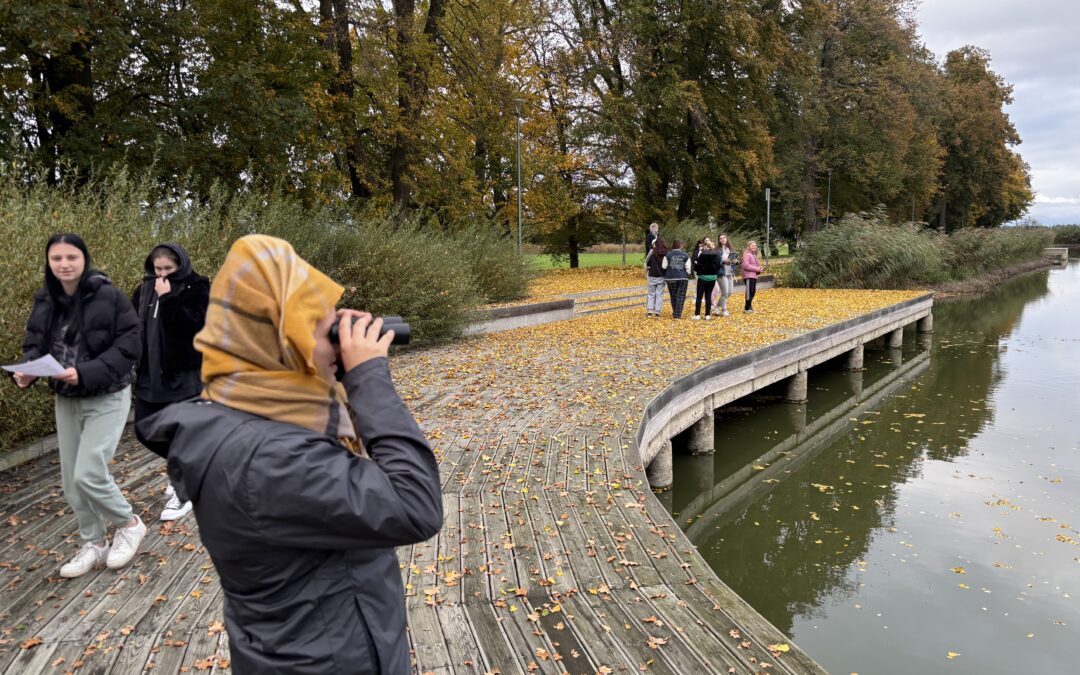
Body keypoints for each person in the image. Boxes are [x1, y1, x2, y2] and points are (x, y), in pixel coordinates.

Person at [138, 235, 443, 674]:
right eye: (318, 324)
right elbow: (414, 505)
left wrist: (336, 369)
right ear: (282, 340)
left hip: (318, 645)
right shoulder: (266, 456)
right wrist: (369, 377)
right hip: (327, 661)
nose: (336, 333)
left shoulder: (252, 411)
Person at [13, 233, 146, 578]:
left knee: (89, 472)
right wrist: (27, 371)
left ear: (84, 258)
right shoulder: (45, 298)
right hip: (66, 397)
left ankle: (129, 524)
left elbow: (130, 345)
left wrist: (84, 372)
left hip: (107, 395)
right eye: (56, 258)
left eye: (71, 257)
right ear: (49, 262)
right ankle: (95, 542)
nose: (64, 264)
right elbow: (35, 343)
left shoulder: (110, 296)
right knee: (72, 482)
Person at [131, 243, 209, 521]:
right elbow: (131, 327)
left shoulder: (197, 287)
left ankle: (185, 491)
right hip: (149, 374)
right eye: (157, 269)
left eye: (168, 269)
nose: (162, 275)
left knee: (180, 433)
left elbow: (196, 326)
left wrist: (168, 299)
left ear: (181, 265)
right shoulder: (143, 289)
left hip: (182, 375)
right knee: (144, 429)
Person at [692, 237, 721, 320]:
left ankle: (697, 315)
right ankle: (707, 315)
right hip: (712, 278)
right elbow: (718, 266)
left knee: (699, 296)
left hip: (702, 277)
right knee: (708, 296)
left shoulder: (702, 255)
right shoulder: (716, 255)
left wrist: (699, 270)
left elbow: (696, 266)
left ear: (705, 247)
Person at [662, 239, 692, 319]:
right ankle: (677, 314)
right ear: (681, 246)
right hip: (682, 277)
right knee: (681, 295)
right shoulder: (685, 255)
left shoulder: (668, 255)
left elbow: (664, 266)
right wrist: (686, 274)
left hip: (670, 277)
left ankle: (675, 311)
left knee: (673, 295)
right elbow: (688, 268)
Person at [711, 234, 738, 317]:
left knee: (729, 292)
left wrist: (736, 262)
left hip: (729, 272)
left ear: (727, 238)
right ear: (719, 240)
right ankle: (724, 310)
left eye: (724, 237)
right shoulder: (716, 250)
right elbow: (714, 262)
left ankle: (716, 307)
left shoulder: (731, 249)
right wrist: (723, 262)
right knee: (725, 292)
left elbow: (735, 260)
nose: (722, 239)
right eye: (720, 238)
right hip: (721, 272)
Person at [644, 237, 668, 317]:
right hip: (662, 276)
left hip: (652, 275)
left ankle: (650, 311)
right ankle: (657, 311)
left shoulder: (653, 253)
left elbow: (648, 263)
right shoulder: (666, 253)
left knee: (651, 294)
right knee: (659, 294)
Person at [742, 240, 766, 313]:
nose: (754, 247)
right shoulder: (747, 254)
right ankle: (747, 308)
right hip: (748, 276)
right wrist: (757, 269)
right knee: (749, 292)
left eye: (755, 245)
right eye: (752, 245)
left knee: (753, 292)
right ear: (748, 247)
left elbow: (756, 266)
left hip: (754, 276)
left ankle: (749, 306)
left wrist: (760, 269)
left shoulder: (754, 255)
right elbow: (746, 266)